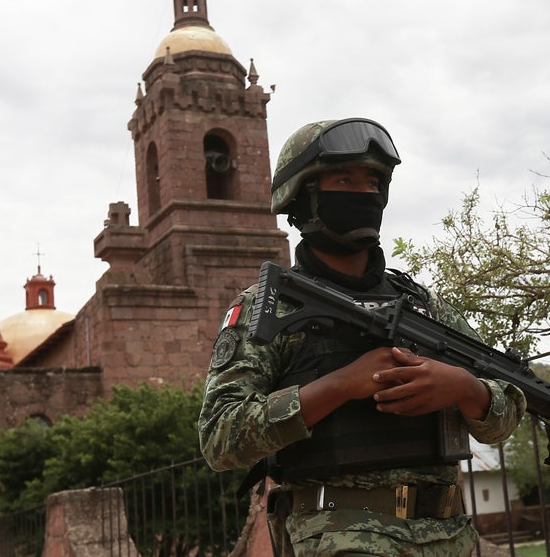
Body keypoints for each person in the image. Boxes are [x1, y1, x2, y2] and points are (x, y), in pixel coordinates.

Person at [199, 117, 526, 556]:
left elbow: (502, 418)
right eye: (345, 179)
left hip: (451, 537)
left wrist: (464, 388)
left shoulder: (423, 305)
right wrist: (338, 386)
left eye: (373, 182)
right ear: (304, 194)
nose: (364, 193)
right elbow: (220, 438)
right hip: (340, 538)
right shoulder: (267, 307)